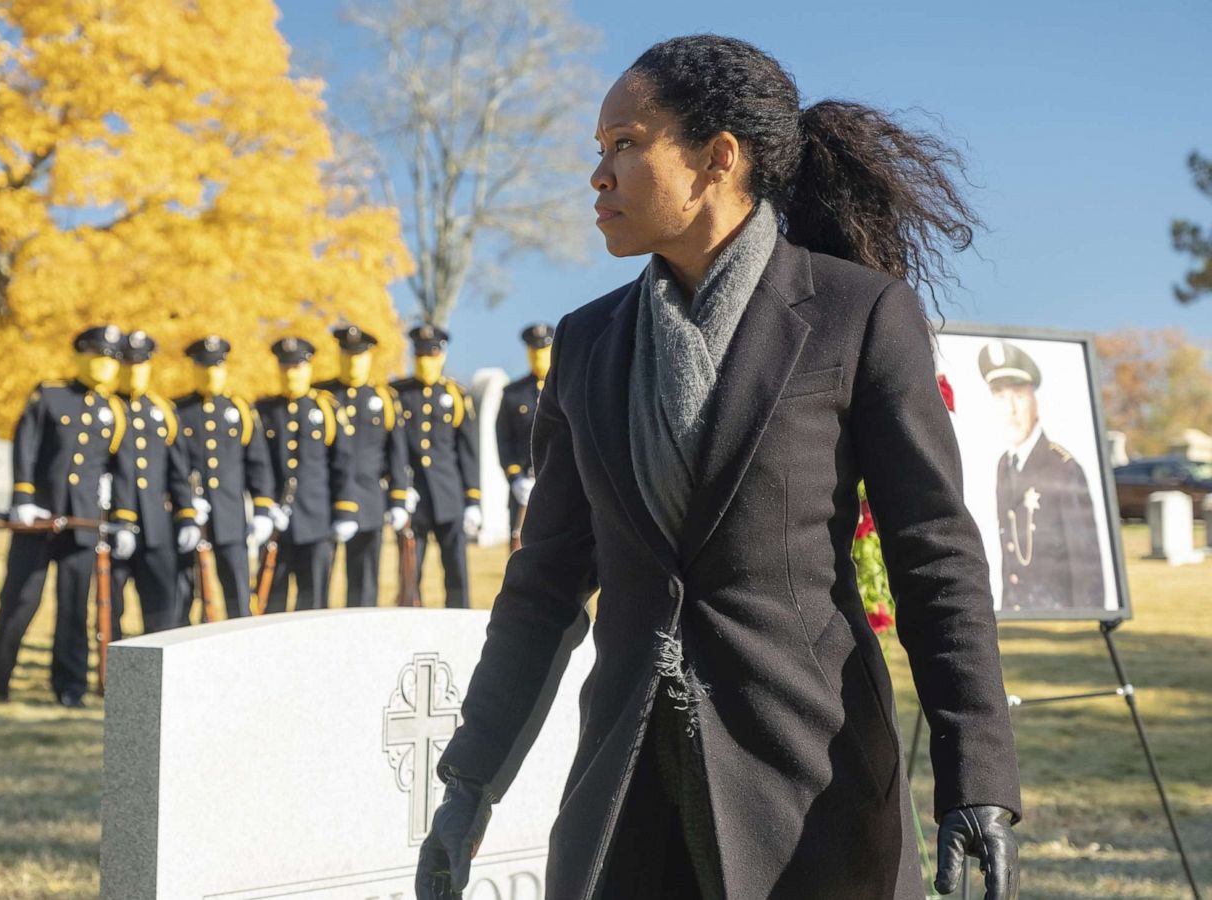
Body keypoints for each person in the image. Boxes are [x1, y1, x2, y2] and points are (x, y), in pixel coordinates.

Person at [417, 35, 1021, 900]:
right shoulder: (586, 343)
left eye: (625, 143)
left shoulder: (857, 315)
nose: (600, 174)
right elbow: (544, 585)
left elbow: (935, 557)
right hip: (625, 798)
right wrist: (469, 784)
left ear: (718, 159)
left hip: (810, 787)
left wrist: (978, 780)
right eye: (598, 150)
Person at [0, 325, 136, 709]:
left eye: (111, 357)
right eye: (97, 354)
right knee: (18, 602)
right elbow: (25, 446)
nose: (104, 364)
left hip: (82, 524)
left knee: (74, 608)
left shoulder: (115, 410)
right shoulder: (50, 394)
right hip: (38, 519)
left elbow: (123, 469)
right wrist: (23, 495)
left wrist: (123, 520)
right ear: (80, 355)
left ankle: (69, 688)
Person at [980, 339, 1105, 611]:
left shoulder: (1063, 467)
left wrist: (1083, 624)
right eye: (1001, 397)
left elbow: (1086, 568)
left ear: (1035, 400)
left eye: (1019, 396)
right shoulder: (1004, 464)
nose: (1011, 409)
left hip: (1058, 615)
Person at [173, 336, 275, 618]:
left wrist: (263, 508)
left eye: (216, 366)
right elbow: (175, 466)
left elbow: (258, 465)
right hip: (191, 519)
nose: (210, 373)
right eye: (204, 367)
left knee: (238, 595)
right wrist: (186, 506)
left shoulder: (240, 410)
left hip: (230, 518)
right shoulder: (179, 411)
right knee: (184, 594)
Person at [253, 337, 358, 612]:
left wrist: (344, 511)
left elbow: (343, 464)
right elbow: (259, 464)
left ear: (308, 367)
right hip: (277, 525)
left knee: (313, 601)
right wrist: (264, 507)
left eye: (297, 366)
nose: (291, 373)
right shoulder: (264, 411)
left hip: (316, 522)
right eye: (285, 367)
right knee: (271, 599)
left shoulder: (326, 408)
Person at [109, 330, 202, 635]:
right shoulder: (105, 407)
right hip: (113, 527)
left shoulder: (162, 412)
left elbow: (177, 472)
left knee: (163, 611)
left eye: (140, 361)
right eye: (128, 361)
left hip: (157, 529)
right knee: (110, 613)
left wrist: (187, 515)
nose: (134, 368)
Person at [313, 325, 412, 607]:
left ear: (369, 357)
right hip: (326, 501)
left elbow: (397, 453)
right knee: (318, 585)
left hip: (370, 500)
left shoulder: (384, 399)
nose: (353, 360)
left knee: (365, 584)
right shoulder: (322, 395)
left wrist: (398, 497)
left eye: (359, 354)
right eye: (348, 353)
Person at [391, 324, 481, 608]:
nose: (425, 359)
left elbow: (467, 451)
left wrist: (473, 499)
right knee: (409, 574)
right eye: (419, 353)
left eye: (431, 353)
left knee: (456, 573)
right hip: (414, 499)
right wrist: (399, 490)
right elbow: (391, 450)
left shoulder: (456, 395)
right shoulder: (397, 394)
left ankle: (459, 627)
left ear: (441, 354)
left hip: (448, 496)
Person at [494, 323, 554, 547]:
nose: (538, 355)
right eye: (534, 350)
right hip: (523, 485)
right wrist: (515, 477)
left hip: (560, 483)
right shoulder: (513, 394)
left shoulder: (566, 386)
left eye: (543, 349)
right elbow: (504, 440)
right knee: (521, 550)